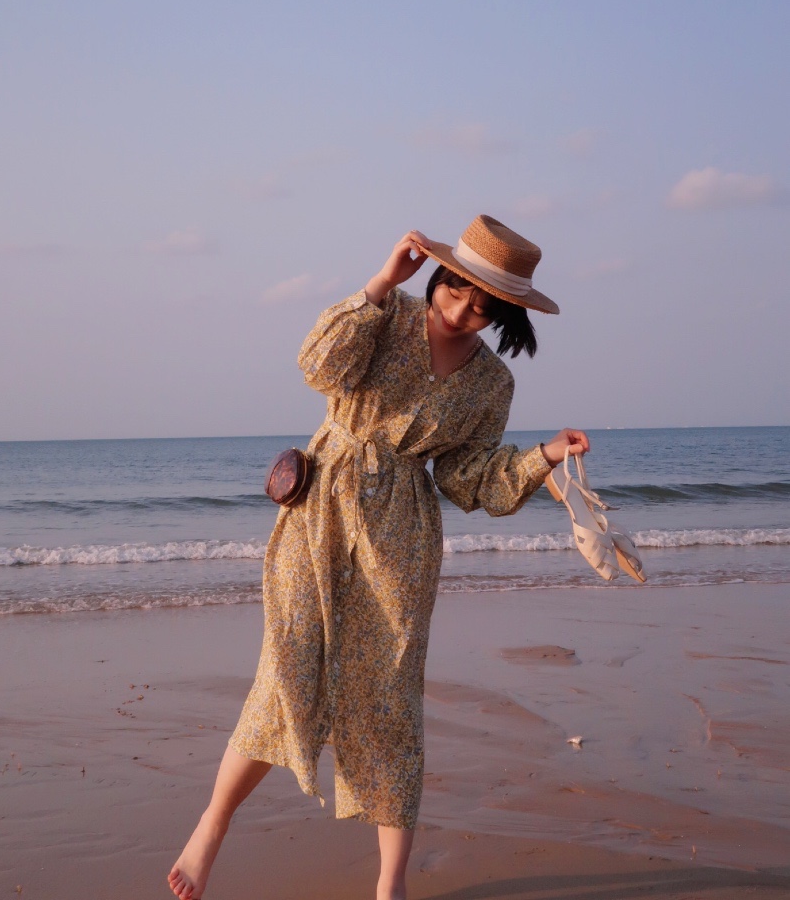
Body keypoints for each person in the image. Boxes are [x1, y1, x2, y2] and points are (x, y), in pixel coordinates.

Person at [168, 215, 589, 900]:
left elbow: (468, 480)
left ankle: (390, 884)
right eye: (454, 291)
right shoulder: (386, 315)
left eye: (482, 308)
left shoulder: (492, 385)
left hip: (400, 540)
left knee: (388, 703)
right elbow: (316, 365)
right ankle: (211, 827)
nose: (460, 311)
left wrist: (544, 455)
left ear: (504, 316)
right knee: (286, 670)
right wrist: (380, 284)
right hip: (319, 511)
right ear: (440, 275)